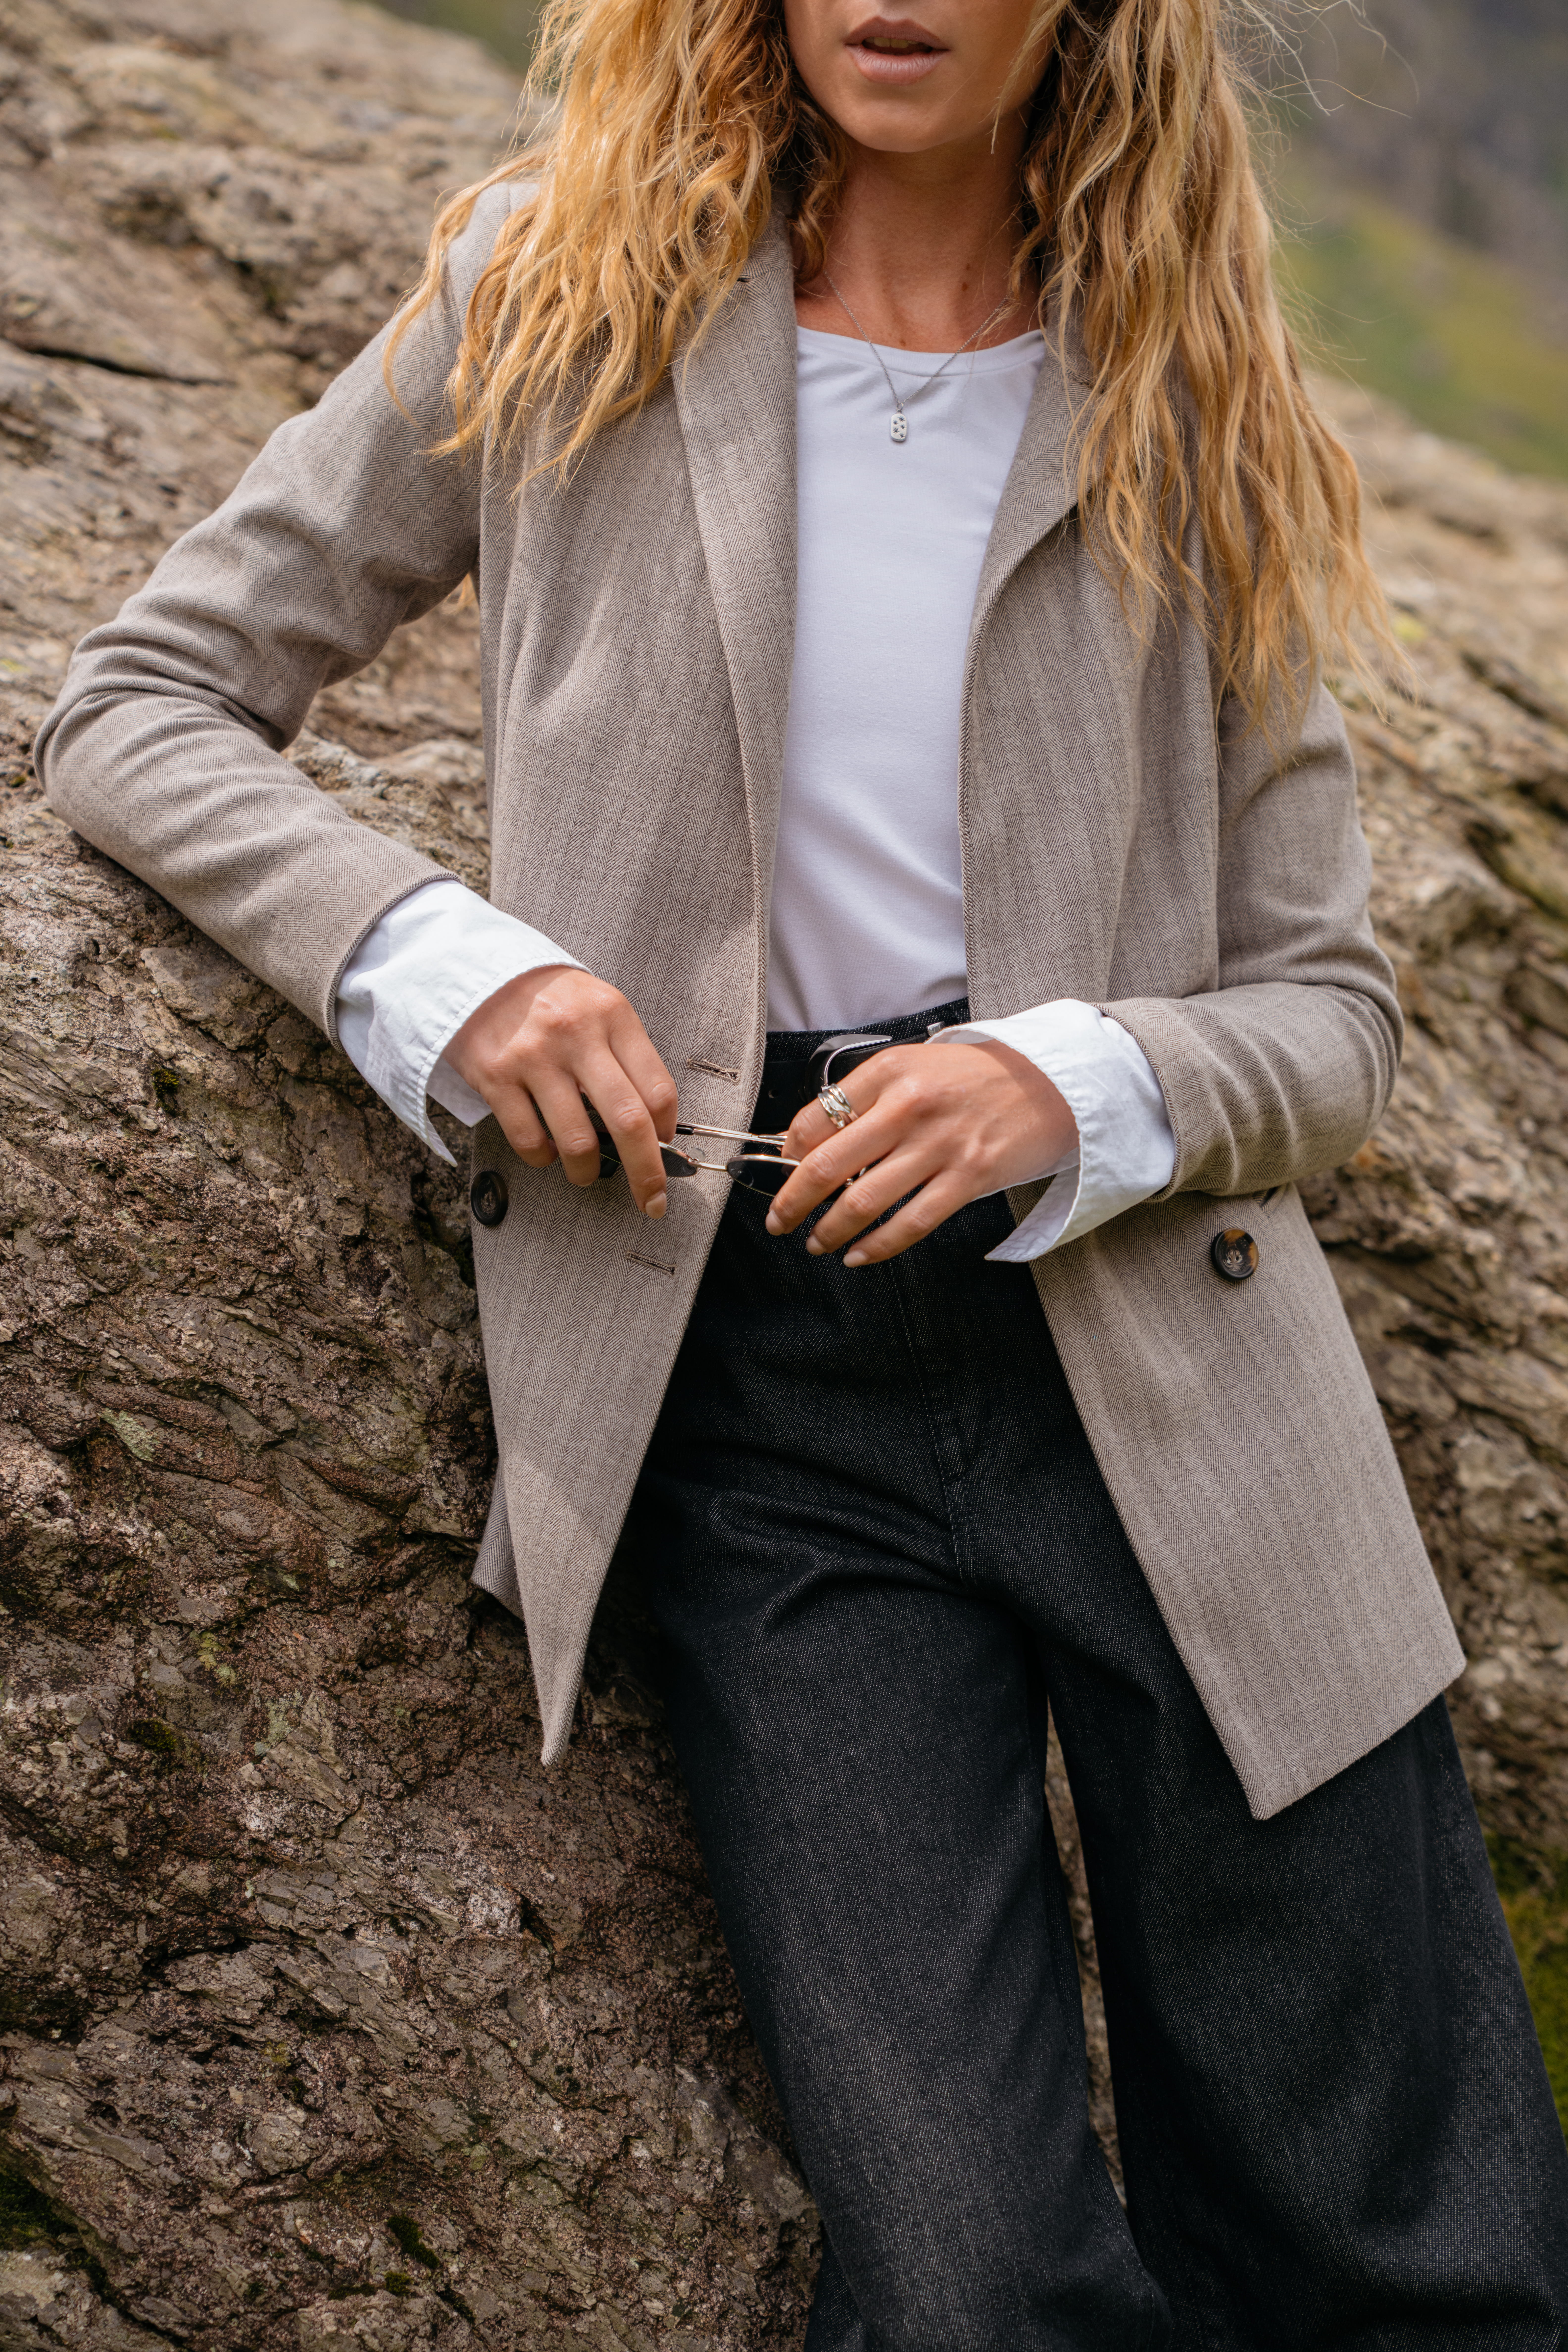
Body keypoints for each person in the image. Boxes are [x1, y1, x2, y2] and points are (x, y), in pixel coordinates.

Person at [36, 0, 1568, 2335]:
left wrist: (1080, 1079)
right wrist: (443, 969)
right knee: (965, 2292)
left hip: (1178, 1382)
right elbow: (140, 704)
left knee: (1411, 2268)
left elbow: (1332, 1016)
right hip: (749, 1403)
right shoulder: (553, 290)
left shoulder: (1185, 383)